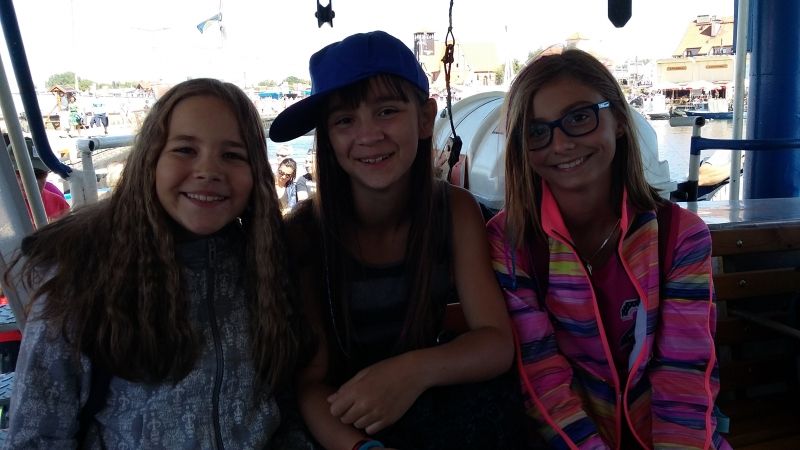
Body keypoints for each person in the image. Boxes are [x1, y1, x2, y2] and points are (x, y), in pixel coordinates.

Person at [3, 78, 311, 448]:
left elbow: (284, 400)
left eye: (232, 155)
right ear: (150, 160)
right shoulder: (83, 275)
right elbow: (38, 435)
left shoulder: (266, 265)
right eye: (185, 149)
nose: (208, 170)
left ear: (256, 174)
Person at [271, 30, 529, 450]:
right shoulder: (304, 234)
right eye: (344, 120)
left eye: (387, 111)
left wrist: (412, 372)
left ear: (425, 118)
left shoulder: (455, 211)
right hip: (346, 425)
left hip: (435, 404)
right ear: (327, 136)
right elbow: (311, 383)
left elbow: (496, 341)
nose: (368, 135)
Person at [487, 48, 730, 449]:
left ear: (617, 120)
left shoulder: (680, 237)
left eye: (579, 118)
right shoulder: (510, 242)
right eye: (537, 131)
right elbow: (541, 376)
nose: (561, 144)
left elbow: (684, 376)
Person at [7, 135, 70, 222]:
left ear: (46, 174)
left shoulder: (58, 204)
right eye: (19, 174)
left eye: (37, 174)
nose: (28, 181)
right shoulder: (4, 207)